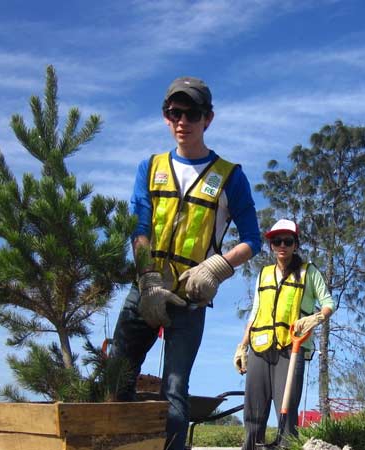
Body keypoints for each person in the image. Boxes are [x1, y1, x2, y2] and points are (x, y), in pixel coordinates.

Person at [111, 76, 261, 450]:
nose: (182, 121)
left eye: (191, 113)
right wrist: (147, 280)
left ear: (207, 118)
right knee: (115, 379)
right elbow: (139, 227)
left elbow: (252, 240)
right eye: (174, 112)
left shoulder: (229, 176)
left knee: (174, 389)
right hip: (145, 292)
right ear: (165, 117)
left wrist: (216, 268)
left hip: (190, 301)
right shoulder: (150, 167)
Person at [234, 219, 335, 450]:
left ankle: (286, 446)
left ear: (295, 244)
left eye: (287, 241)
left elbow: (329, 303)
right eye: (276, 241)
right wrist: (242, 345)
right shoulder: (264, 274)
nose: (282, 245)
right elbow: (255, 312)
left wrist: (316, 317)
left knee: (286, 410)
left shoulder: (308, 272)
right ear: (270, 245)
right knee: (254, 411)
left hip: (291, 348)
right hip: (260, 347)